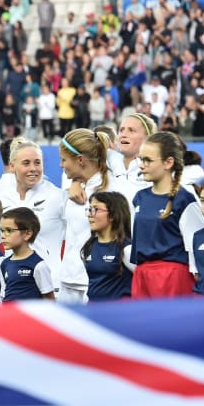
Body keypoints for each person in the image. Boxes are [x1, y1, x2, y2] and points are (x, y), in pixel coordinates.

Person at [56, 128, 134, 304]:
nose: (61, 165)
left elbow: (128, 235)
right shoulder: (75, 186)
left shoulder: (115, 190)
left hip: (96, 284)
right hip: (68, 279)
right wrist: (75, 181)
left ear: (81, 160)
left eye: (63, 160)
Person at [130, 132, 204, 298]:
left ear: (168, 162)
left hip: (173, 277)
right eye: (141, 159)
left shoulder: (184, 199)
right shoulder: (139, 198)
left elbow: (199, 245)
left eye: (148, 160)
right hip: (142, 275)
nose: (141, 166)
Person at [0, 138, 65, 271]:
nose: (33, 168)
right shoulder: (1, 198)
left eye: (37, 163)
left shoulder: (58, 197)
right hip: (13, 284)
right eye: (26, 163)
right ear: (12, 166)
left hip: (50, 284)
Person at [82, 191, 135, 302]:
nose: (89, 214)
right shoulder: (89, 246)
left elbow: (144, 281)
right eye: (89, 209)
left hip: (119, 312)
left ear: (112, 215)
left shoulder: (126, 249)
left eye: (96, 209)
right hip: (94, 310)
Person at [0, 207, 55, 302]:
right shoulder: (4, 263)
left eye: (9, 230)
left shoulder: (39, 265)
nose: (2, 236)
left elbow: (49, 301)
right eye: (2, 231)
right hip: (8, 315)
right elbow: (3, 294)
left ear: (27, 234)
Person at [112, 113, 157, 191]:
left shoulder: (156, 169)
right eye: (121, 130)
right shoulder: (108, 161)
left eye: (131, 130)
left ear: (147, 138)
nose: (123, 135)